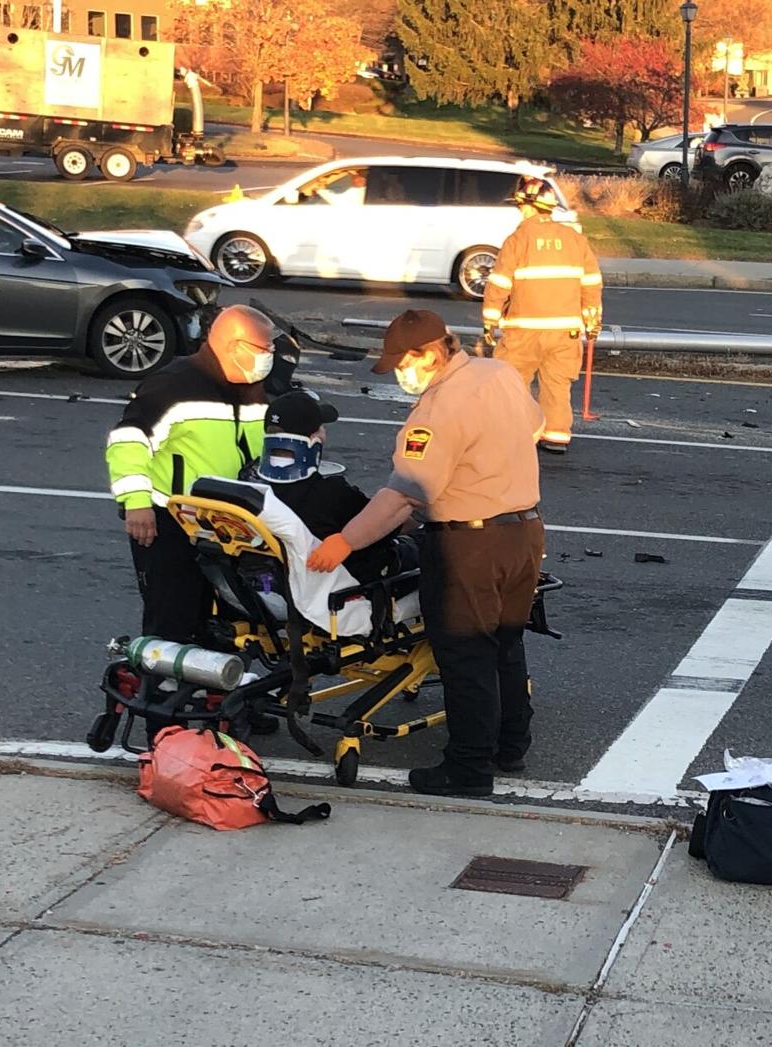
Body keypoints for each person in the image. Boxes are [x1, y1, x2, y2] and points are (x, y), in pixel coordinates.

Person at [305, 309, 545, 797]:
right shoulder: (499, 373)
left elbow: (402, 496)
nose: (399, 374)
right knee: (505, 643)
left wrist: (345, 540)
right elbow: (533, 427)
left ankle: (468, 770)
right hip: (525, 532)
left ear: (431, 353)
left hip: (469, 545)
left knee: (465, 656)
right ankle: (510, 745)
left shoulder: (437, 410)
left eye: (402, 363)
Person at [106, 304, 276, 648]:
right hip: (172, 519)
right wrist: (137, 504)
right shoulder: (173, 385)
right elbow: (128, 441)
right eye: (263, 350)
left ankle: (215, 684)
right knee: (173, 613)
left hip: (231, 521)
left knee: (231, 616)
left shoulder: (254, 384)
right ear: (232, 346)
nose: (269, 357)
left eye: (271, 350)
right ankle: (160, 688)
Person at [481, 175, 602, 455]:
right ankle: (556, 435)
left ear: (529, 206)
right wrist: (592, 321)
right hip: (565, 332)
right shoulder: (574, 240)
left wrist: (490, 319)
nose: (519, 211)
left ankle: (515, 433)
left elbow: (499, 284)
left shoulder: (518, 239)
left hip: (524, 330)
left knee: (512, 382)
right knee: (557, 385)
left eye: (521, 206)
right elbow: (591, 284)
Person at [250, 389, 410, 584]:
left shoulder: (250, 491)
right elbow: (385, 524)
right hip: (336, 588)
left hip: (268, 587)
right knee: (420, 545)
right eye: (321, 427)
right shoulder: (332, 494)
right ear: (314, 439)